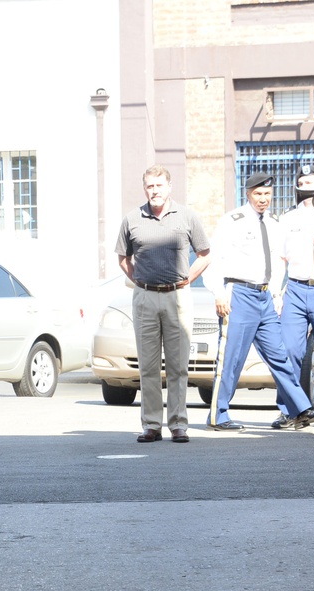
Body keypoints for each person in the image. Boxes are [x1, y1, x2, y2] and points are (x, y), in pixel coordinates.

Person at [203, 171, 314, 431]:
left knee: (280, 355)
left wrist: (276, 293)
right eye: (258, 194)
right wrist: (218, 292)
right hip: (239, 294)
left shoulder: (274, 224)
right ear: (248, 194)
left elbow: (278, 262)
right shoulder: (232, 220)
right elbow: (215, 258)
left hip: (264, 296)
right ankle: (218, 415)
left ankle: (301, 408)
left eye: (267, 194)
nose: (263, 199)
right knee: (231, 358)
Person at [115, 165, 211, 443]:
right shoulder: (132, 219)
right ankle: (151, 425)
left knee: (179, 365)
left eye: (159, 185)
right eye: (149, 186)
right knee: (147, 365)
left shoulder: (187, 216)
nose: (154, 191)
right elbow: (123, 257)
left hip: (177, 296)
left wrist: (186, 280)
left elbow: (205, 254)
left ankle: (179, 423)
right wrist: (140, 280)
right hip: (144, 297)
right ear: (144, 188)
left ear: (169, 187)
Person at [271, 164, 314, 430]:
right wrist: (277, 292)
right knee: (289, 350)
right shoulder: (288, 219)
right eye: (304, 182)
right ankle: (290, 410)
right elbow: (280, 258)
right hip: (296, 289)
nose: (308, 187)